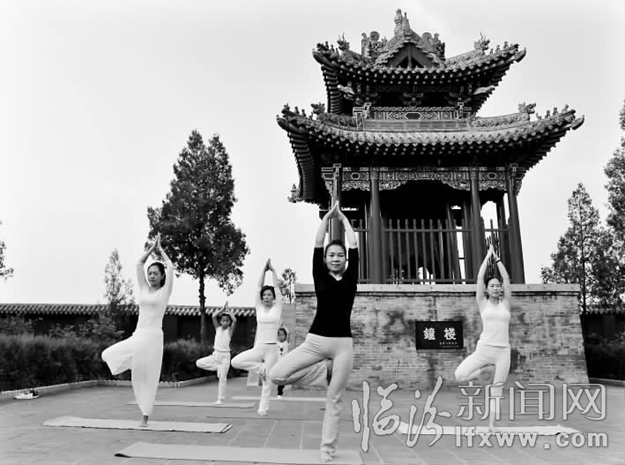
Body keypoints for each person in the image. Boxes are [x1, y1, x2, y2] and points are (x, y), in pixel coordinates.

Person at [269, 202, 358, 464]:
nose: (335, 258)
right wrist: (328, 218)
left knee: (335, 399)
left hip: (343, 346)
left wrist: (343, 219)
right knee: (276, 375)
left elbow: (354, 244)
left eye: (339, 255)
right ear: (325, 259)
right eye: (331, 255)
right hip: (315, 342)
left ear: (345, 260)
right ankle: (322, 372)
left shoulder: (351, 278)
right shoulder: (320, 275)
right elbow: (318, 242)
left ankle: (327, 450)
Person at [102, 233, 174, 427]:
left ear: (162, 276)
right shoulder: (143, 288)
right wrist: (151, 249)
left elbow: (171, 267)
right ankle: (134, 363)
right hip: (139, 334)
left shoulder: (165, 291)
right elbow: (138, 264)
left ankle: (145, 415)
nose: (151, 276)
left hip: (154, 338)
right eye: (150, 273)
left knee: (148, 378)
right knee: (107, 354)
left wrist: (162, 251)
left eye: (155, 273)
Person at [454, 243, 511, 431]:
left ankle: (492, 424)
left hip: (503, 351)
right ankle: (485, 369)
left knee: (497, 388)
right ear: (486, 289)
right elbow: (479, 278)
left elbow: (506, 278)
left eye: (498, 286)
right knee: (460, 375)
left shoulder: (506, 303)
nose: (496, 288)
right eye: (492, 286)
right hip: (485, 348)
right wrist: (488, 257)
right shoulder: (483, 303)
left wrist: (498, 259)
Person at [231, 259, 283, 416]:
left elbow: (277, 289)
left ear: (273, 297)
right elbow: (257, 288)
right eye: (264, 295)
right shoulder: (259, 308)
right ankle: (261, 369)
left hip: (272, 349)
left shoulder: (277, 308)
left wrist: (273, 271)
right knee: (235, 362)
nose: (266, 297)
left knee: (268, 381)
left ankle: (263, 408)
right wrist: (263, 271)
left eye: (269, 295)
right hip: (259, 347)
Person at [196, 302, 237, 404]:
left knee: (222, 378)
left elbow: (235, 320)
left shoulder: (230, 331)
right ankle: (218, 367)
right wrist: (222, 309)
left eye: (227, 321)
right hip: (216, 355)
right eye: (223, 321)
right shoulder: (217, 329)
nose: (225, 323)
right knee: (199, 363)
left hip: (225, 357)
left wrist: (229, 311)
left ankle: (220, 399)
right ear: (220, 322)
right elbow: (213, 316)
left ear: (229, 322)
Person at [276, 326, 290, 398]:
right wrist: (278, 327)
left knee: (283, 378)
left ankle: (281, 389)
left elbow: (288, 333)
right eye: (279, 335)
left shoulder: (286, 343)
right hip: (278, 363)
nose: (281, 336)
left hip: (284, 363)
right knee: (280, 378)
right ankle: (279, 393)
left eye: (282, 335)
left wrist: (284, 326)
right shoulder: (276, 343)